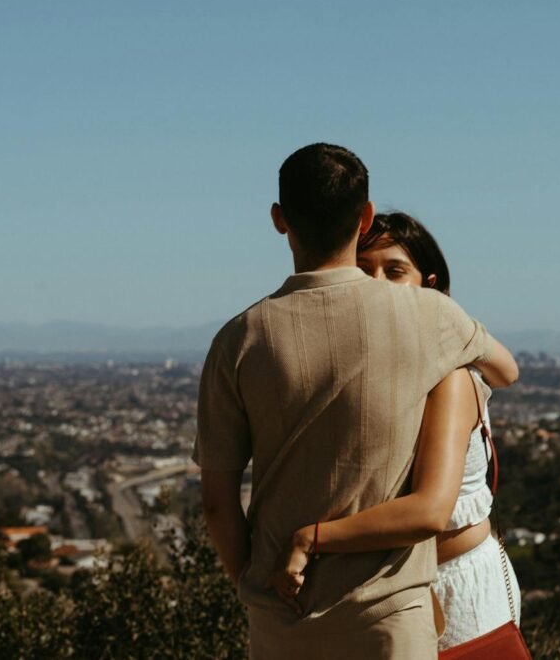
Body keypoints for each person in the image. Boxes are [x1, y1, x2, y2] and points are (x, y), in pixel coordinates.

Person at [193, 144, 519, 660]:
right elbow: (508, 369)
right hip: (389, 619)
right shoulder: (430, 315)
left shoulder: (237, 340)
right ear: (364, 217)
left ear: (280, 220)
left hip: (282, 621)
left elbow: (217, 502)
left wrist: (253, 590)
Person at [268, 212, 522, 651]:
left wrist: (311, 538)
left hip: (456, 586)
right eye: (364, 271)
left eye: (395, 271)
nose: (379, 284)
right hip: (387, 590)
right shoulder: (364, 376)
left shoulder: (451, 377)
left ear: (430, 285)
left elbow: (429, 510)